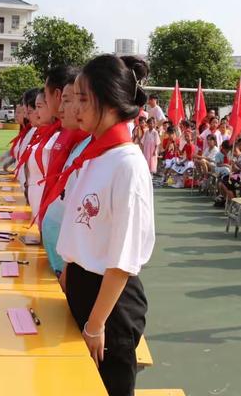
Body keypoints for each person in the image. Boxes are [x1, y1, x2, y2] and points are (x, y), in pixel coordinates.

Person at [53, 54, 154, 396]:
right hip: (83, 288)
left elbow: (123, 258)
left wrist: (96, 325)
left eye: (84, 98)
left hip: (110, 305)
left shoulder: (127, 164)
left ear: (109, 101)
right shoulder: (96, 155)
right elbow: (80, 231)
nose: (75, 107)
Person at [41, 72, 91, 275]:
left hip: (73, 269)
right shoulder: (79, 145)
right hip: (62, 263)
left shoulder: (111, 156)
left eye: (78, 99)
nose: (62, 108)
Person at [26, 89, 59, 219]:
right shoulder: (44, 135)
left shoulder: (57, 138)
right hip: (36, 202)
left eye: (39, 106)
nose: (36, 112)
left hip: (46, 207)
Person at [217, 136, 241, 205]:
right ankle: (232, 202)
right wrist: (233, 166)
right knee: (222, 182)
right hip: (240, 177)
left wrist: (237, 164)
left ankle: (235, 204)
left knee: (227, 184)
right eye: (240, 145)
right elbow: (237, 170)